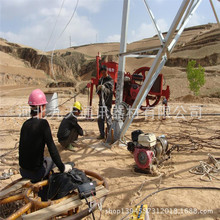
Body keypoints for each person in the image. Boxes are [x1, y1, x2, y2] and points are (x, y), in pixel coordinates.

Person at [19, 89, 72, 184]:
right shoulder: (43, 124)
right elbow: (52, 149)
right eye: (45, 106)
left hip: (23, 171)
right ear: (41, 107)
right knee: (52, 161)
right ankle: (46, 190)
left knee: (45, 159)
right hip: (36, 173)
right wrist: (62, 167)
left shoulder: (25, 124)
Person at [97, 65, 114, 139]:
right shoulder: (101, 80)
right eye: (102, 73)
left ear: (107, 71)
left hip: (107, 103)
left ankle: (110, 135)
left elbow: (109, 91)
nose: (103, 74)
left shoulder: (110, 80)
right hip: (101, 103)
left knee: (108, 119)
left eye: (104, 72)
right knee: (100, 118)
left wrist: (104, 88)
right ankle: (102, 134)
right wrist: (98, 89)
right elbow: (97, 91)